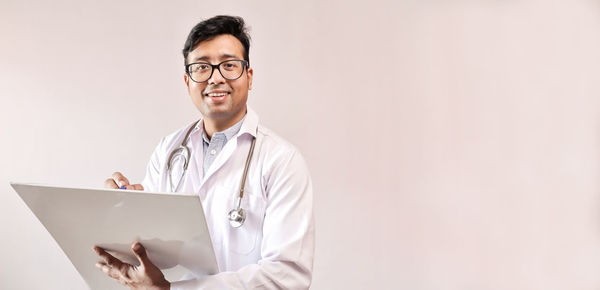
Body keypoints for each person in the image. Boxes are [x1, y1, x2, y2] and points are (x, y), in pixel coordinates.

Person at [94, 15, 315, 289]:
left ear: (249, 77)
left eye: (229, 65)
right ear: (187, 81)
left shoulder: (282, 160)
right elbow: (150, 249)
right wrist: (121, 210)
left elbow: (288, 277)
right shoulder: (169, 150)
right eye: (202, 67)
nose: (216, 77)